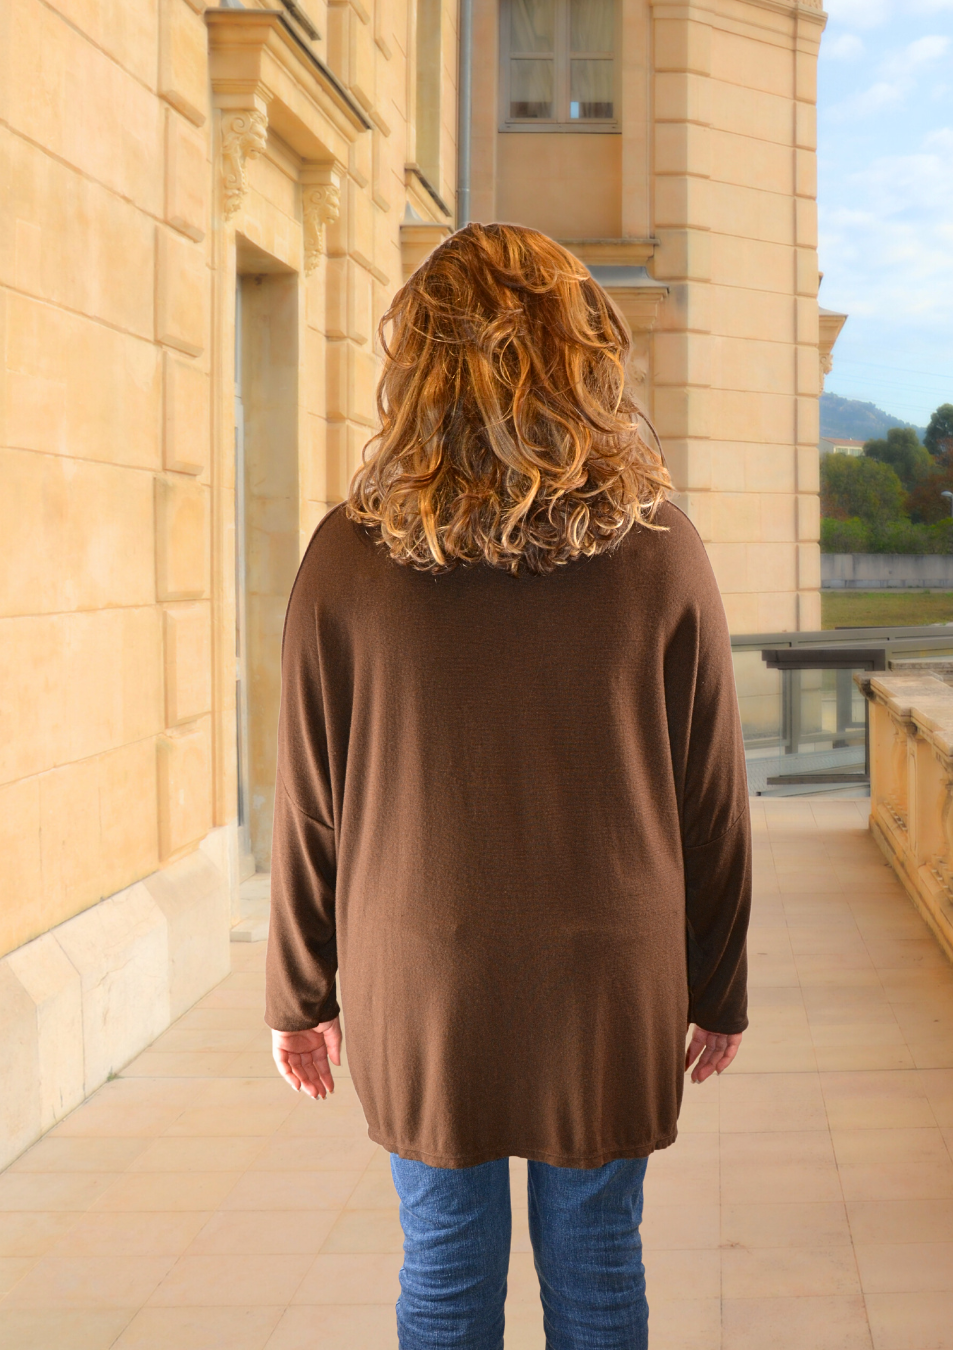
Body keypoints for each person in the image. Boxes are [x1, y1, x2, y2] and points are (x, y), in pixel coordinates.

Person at [265, 222, 751, 1350]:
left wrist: (300, 991)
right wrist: (718, 982)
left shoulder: (346, 557)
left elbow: (310, 799)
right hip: (610, 973)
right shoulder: (661, 547)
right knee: (596, 1270)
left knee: (442, 1275)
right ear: (585, 356)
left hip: (423, 969)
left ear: (417, 366)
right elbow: (712, 795)